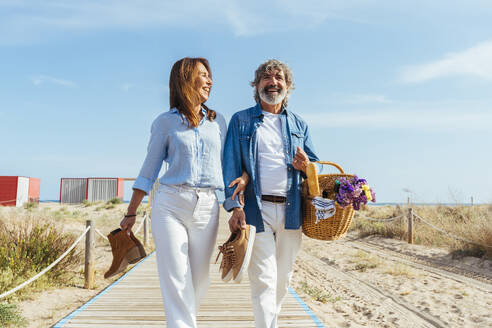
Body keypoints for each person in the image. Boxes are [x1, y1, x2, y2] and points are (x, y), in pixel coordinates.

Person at [120, 57, 248, 328]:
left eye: (209, 75)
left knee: (200, 280)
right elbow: (149, 170)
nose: (210, 81)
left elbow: (227, 170)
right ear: (186, 79)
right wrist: (131, 212)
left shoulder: (218, 122)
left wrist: (235, 207)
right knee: (176, 279)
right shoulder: (165, 123)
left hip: (207, 207)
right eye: (203, 75)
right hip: (170, 205)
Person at [222, 59, 319, 328]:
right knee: (263, 280)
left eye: (279, 78)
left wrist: (307, 166)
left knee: (282, 280)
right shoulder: (241, 120)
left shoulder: (300, 124)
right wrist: (234, 207)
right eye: (267, 77)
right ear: (256, 85)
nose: (273, 82)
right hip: (255, 209)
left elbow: (315, 165)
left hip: (292, 211)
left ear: (288, 86)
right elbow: (231, 163)